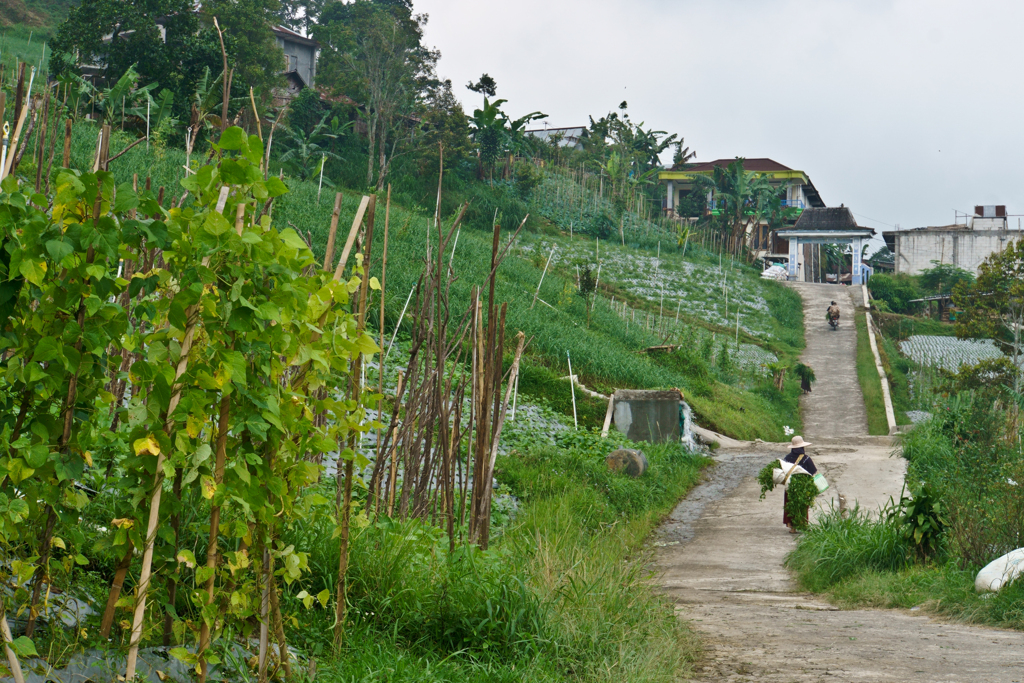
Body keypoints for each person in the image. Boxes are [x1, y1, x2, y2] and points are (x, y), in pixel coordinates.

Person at [782, 435, 816, 533]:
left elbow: (783, 471)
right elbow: (812, 471)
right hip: (803, 486)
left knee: (790, 504)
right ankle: (803, 524)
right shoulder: (806, 458)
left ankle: (792, 527)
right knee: (802, 505)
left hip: (790, 485)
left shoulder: (787, 458)